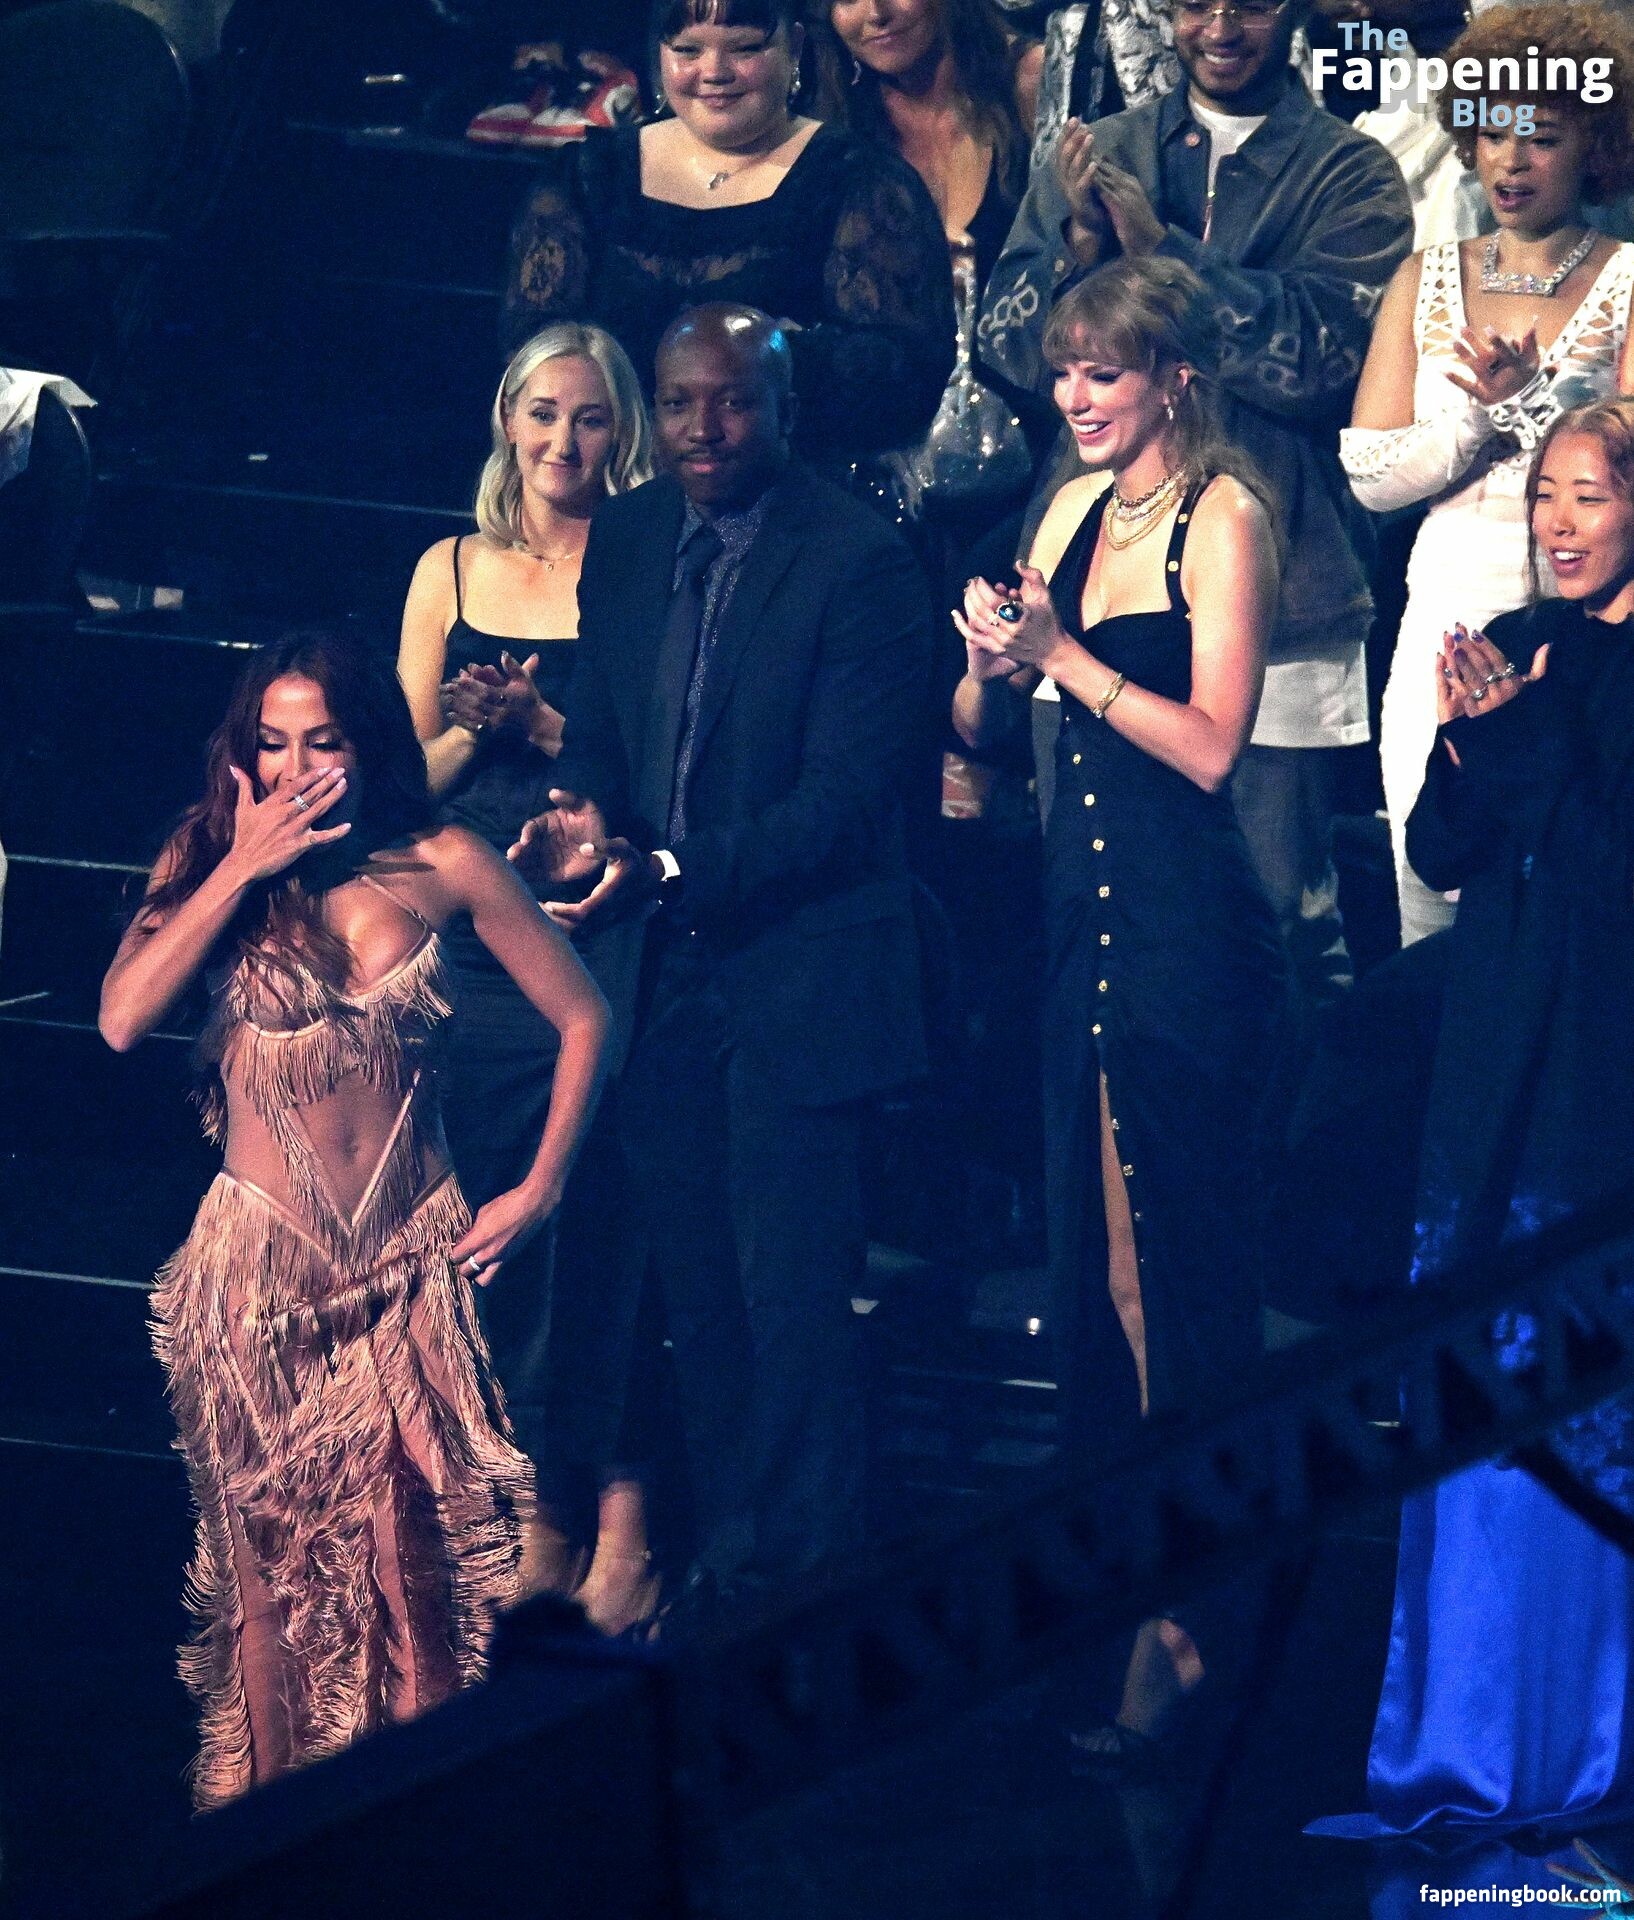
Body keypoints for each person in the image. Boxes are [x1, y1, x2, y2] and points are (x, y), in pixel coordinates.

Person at [99, 634, 608, 1807]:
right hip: (258, 1283)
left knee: (417, 1582)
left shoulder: (445, 860)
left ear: (367, 743)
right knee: (272, 1591)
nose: (295, 768)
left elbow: (584, 1015)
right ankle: (273, 1835)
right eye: (272, 744)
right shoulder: (205, 860)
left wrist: (538, 1188)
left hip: (408, 1267)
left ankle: (420, 1830)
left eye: (320, 742)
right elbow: (123, 1019)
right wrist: (240, 865)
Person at [508, 303, 931, 1621]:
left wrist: (671, 867)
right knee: (698, 1298)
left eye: (733, 401)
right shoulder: (632, 533)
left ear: (783, 410)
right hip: (657, 975)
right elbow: (600, 735)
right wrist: (579, 821)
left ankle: (803, 1599)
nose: (703, 426)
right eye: (681, 400)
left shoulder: (860, 559)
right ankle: (735, 1570)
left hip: (800, 976)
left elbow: (846, 806)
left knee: (789, 1304)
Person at [952, 256, 1285, 1768]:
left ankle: (1197, 1622)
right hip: (1075, 937)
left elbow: (1211, 748)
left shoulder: (1226, 517)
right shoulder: (1066, 512)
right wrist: (986, 670)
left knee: (1177, 1279)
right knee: (1099, 1281)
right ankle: (1130, 1605)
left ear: (1173, 378)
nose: (1075, 396)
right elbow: (987, 736)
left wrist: (1062, 658)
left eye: (1104, 370)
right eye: (1064, 371)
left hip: (1183, 938)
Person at [1313, 399, 1634, 1836]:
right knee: (1469, 1376)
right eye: (1544, 494)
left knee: (1577, 1390)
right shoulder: (1509, 642)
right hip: (1491, 1057)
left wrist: (1519, 740)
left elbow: (1604, 867)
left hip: (1597, 1071)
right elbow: (1440, 854)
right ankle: (1465, 1733)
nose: (1556, 522)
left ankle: (1580, 1747)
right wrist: (1461, 743)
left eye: (1587, 496)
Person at [978, 0, 1413, 1009]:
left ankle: (1290, 1119)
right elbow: (1006, 349)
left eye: (1248, 3)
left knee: (1274, 924)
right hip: (1096, 582)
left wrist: (1164, 252)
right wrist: (1077, 244)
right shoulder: (1103, 146)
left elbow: (1325, 362)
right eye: (1192, 3)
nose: (1218, 25)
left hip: (1282, 593)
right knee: (1096, 913)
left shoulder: (1350, 171)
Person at [398, 322, 661, 1631]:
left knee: (593, 1218)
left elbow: (657, 768)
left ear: (623, 432)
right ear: (508, 419)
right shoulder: (448, 567)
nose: (564, 440)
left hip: (590, 916)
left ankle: (603, 1514)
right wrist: (472, 726)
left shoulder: (645, 562)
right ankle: (497, 1503)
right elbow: (398, 777)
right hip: (468, 934)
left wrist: (547, 724)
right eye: (543, 413)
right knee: (474, 1207)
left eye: (590, 416)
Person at [1341, 3, 1634, 946]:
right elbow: (1370, 474)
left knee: (1560, 912)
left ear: (1596, 145)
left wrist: (1527, 406)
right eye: (1494, 132)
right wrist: (1476, 419)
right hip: (1442, 619)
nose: (1512, 160)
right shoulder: (1423, 274)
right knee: (1428, 890)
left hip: (1583, 630)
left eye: (1542, 136)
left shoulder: (1628, 277)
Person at [499, 0, 955, 475]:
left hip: (793, 495)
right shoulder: (588, 177)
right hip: (609, 489)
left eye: (744, 48)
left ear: (795, 47)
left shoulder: (861, 182)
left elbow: (904, 376)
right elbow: (532, 353)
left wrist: (763, 365)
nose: (714, 72)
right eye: (688, 50)